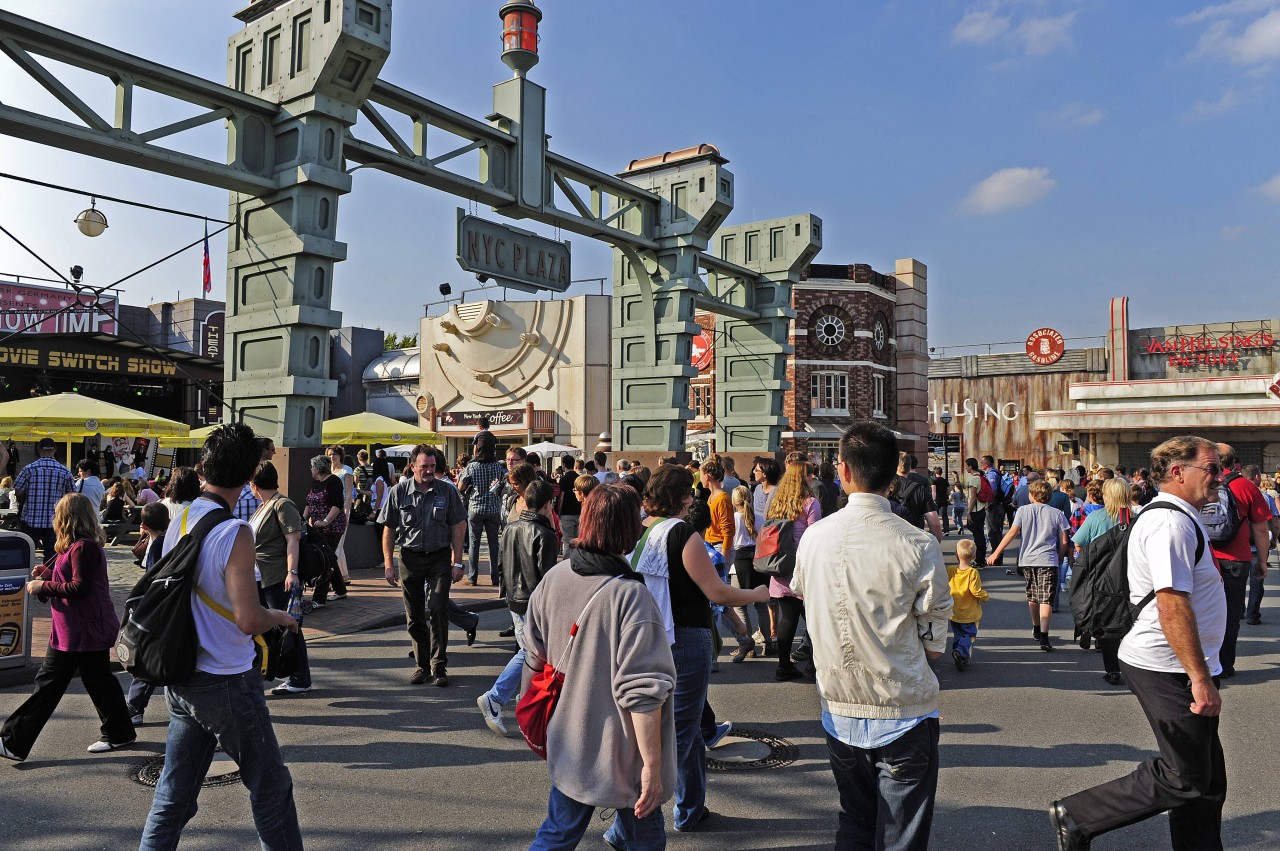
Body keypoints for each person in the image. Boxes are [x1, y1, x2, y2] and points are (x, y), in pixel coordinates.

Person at [1051, 436, 1227, 851]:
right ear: (1179, 472)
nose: (1220, 477)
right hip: (1166, 666)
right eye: (1212, 469)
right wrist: (1199, 678)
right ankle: (1079, 814)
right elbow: (1171, 604)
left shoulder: (1181, 515)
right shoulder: (1170, 523)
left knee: (1207, 783)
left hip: (1178, 664)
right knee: (1184, 776)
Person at [138, 422, 302, 851]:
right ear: (250, 476)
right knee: (271, 788)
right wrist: (279, 617)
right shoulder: (236, 532)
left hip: (184, 670)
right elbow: (248, 619)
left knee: (174, 795)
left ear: (205, 466)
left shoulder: (183, 514)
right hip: (227, 676)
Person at [792, 421, 952, 851]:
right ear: (893, 473)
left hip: (839, 704)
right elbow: (936, 644)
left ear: (842, 470)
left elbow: (805, 596)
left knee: (856, 820)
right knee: (902, 834)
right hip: (903, 706)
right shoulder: (918, 544)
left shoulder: (814, 539)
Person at [522, 483, 676, 849]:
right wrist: (652, 768)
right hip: (622, 752)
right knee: (645, 839)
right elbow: (642, 694)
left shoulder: (555, 578)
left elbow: (532, 656)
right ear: (626, 529)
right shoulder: (631, 597)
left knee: (557, 834)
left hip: (570, 741)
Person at [631, 465, 769, 832]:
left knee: (686, 730)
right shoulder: (683, 534)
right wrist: (756, 594)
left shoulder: (644, 530)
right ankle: (634, 824)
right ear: (685, 497)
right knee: (678, 734)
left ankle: (691, 808)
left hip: (651, 636)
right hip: (687, 636)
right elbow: (716, 592)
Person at [0, 493, 134, 762]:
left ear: (66, 518)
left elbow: (80, 587)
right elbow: (76, 580)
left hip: (80, 629)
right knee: (98, 681)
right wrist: (50, 575)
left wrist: (43, 585)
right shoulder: (79, 546)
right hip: (77, 627)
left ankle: (14, 741)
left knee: (50, 684)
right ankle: (119, 731)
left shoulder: (82, 548)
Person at [378, 445, 466, 686]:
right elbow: (388, 528)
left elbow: (458, 526)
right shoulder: (398, 492)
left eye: (432, 467)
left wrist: (457, 562)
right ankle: (422, 666)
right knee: (414, 615)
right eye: (424, 466)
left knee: (438, 608)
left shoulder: (447, 491)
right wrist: (388, 563)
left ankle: (439, 667)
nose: (428, 471)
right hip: (409, 558)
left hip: (439, 558)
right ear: (413, 466)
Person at [476, 478, 558, 737]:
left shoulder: (511, 527)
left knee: (530, 650)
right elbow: (547, 576)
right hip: (534, 599)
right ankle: (497, 697)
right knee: (531, 651)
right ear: (548, 504)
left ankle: (513, 698)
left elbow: (500, 563)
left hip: (515, 596)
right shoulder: (544, 533)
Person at [250, 461, 312, 696]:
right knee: (274, 625)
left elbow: (293, 540)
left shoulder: (282, 504)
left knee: (289, 626)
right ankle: (277, 670)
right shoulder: (265, 505)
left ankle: (299, 677)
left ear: (255, 484)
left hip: (278, 575)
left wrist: (292, 572)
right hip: (261, 575)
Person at [1209, 443, 1271, 677]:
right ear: (1236, 463)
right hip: (1236, 558)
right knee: (1231, 613)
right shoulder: (1246, 486)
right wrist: (1262, 561)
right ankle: (1224, 664)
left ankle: (1201, 661)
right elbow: (1261, 529)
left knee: (1201, 610)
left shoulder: (1201, 483)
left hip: (1203, 557)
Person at [988, 479, 1069, 651]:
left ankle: (1036, 627)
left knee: (1033, 596)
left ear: (1031, 495)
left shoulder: (1022, 511)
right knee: (1046, 598)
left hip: (1028, 560)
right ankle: (1045, 638)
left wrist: (996, 553)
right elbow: (1063, 541)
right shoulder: (1057, 513)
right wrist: (1060, 558)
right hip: (1048, 560)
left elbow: (1012, 533)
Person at [1071, 478, 1134, 685]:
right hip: (1130, 576)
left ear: (1109, 497)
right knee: (1130, 619)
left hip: (1102, 577)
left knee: (1107, 618)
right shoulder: (1137, 519)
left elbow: (1079, 544)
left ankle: (1112, 669)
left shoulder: (1096, 517)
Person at [766, 454, 823, 681]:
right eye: (809, 474)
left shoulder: (777, 502)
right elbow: (815, 534)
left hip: (781, 566)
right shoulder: (810, 503)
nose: (812, 478)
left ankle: (783, 665)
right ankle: (813, 666)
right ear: (803, 477)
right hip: (803, 566)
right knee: (814, 620)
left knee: (786, 618)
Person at [124, 501, 171, 726]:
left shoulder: (157, 546)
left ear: (143, 525)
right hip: (168, 606)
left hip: (156, 607)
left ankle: (134, 706)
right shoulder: (168, 540)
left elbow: (152, 579)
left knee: (147, 658)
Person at [15, 437, 74, 564]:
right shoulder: (65, 471)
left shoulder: (28, 469)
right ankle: (49, 581)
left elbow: (18, 491)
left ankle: (28, 580)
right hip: (55, 520)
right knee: (52, 556)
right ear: (55, 450)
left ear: (38, 449)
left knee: (26, 554)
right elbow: (72, 495)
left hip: (31, 518)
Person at [458, 435, 505, 586]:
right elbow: (500, 485)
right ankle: (495, 578)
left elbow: (461, 487)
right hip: (493, 508)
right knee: (494, 544)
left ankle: (472, 577)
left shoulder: (472, 466)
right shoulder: (497, 466)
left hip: (475, 507)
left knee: (474, 543)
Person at [304, 454, 348, 607]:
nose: (311, 469)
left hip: (332, 527)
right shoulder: (316, 483)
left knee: (325, 559)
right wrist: (303, 519)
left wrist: (326, 521)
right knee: (329, 557)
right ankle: (341, 590)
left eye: (312, 467)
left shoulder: (333, 481)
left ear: (318, 468)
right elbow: (309, 503)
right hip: (317, 527)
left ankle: (319, 598)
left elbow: (337, 504)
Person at [1244, 465, 1277, 625]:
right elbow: (1272, 523)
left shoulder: (1232, 493)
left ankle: (1237, 612)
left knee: (1237, 583)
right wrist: (1273, 540)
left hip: (1239, 547)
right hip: (1258, 546)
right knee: (1257, 581)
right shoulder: (1264, 497)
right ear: (1257, 477)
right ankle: (1252, 614)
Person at [948, 538, 987, 672]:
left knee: (958, 635)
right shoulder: (972, 572)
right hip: (969, 613)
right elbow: (975, 591)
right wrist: (985, 596)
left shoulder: (951, 570)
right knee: (970, 635)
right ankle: (960, 652)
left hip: (954, 611)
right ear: (974, 556)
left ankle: (960, 655)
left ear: (956, 554)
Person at [326, 445, 355, 587]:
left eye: (335, 454)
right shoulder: (328, 471)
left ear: (340, 455)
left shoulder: (346, 470)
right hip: (330, 510)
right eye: (330, 454)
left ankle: (332, 579)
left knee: (336, 545)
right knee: (337, 544)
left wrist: (346, 511)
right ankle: (344, 575)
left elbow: (349, 493)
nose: (332, 457)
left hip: (342, 510)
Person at [964, 457, 989, 566]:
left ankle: (979, 560)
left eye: (966, 466)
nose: (965, 468)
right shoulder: (980, 477)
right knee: (979, 535)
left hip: (976, 510)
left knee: (978, 536)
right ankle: (981, 558)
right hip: (981, 509)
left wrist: (969, 512)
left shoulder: (974, 479)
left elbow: (973, 498)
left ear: (970, 466)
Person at [555, 456, 582, 558]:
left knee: (567, 540)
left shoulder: (563, 479)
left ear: (564, 465)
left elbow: (561, 497)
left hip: (566, 513)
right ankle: (577, 560)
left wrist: (558, 511)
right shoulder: (579, 478)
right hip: (578, 512)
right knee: (577, 540)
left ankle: (567, 563)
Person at [980, 455, 1004, 563]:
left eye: (983, 462)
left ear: (987, 464)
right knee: (995, 532)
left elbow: (993, 490)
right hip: (996, 505)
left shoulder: (991, 474)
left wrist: (988, 503)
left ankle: (996, 557)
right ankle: (997, 556)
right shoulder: (993, 472)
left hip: (993, 506)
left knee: (993, 532)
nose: (981, 464)